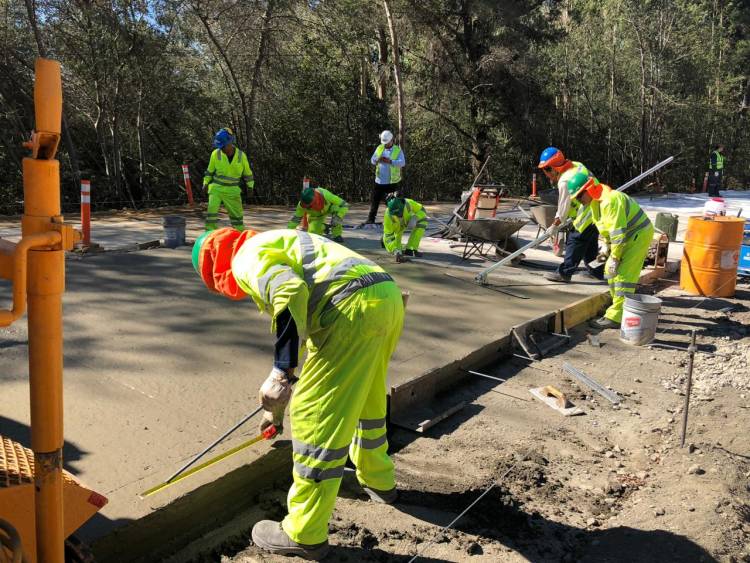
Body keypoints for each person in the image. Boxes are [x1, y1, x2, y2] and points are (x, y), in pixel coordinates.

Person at [192, 227, 404, 560]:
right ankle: (379, 481)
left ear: (216, 268)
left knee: (313, 416)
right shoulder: (280, 241)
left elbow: (290, 293)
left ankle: (304, 533)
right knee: (366, 398)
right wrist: (273, 410)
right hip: (385, 299)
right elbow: (303, 323)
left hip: (350, 310)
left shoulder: (245, 257)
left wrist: (281, 372)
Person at [565, 171, 654, 329]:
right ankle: (617, 307)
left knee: (623, 276)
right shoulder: (595, 203)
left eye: (579, 196)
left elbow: (618, 234)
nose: (579, 201)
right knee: (609, 272)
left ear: (589, 189)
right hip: (625, 236)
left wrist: (615, 257)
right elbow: (607, 229)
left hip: (637, 235)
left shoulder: (610, 201)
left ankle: (616, 317)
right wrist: (606, 248)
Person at [537, 147, 603, 282]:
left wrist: (555, 225)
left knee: (575, 240)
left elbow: (563, 208)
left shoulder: (564, 181)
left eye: (546, 169)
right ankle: (596, 272)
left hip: (586, 211)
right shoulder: (577, 165)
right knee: (590, 243)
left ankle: (564, 273)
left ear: (553, 168)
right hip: (598, 206)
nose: (545, 173)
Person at [202, 127, 254, 231]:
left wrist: (250, 187)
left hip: (232, 191)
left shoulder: (241, 156)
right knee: (211, 215)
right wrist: (205, 183)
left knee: (237, 219)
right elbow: (209, 171)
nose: (221, 148)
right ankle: (209, 236)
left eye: (223, 146)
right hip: (216, 189)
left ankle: (240, 236)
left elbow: (247, 174)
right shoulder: (215, 154)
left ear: (230, 143)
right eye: (219, 146)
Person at [365, 130, 406, 225]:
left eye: (387, 142)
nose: (385, 144)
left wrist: (390, 161)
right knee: (375, 201)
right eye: (384, 143)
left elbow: (402, 163)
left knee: (392, 203)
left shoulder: (397, 150)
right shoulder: (379, 148)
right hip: (379, 181)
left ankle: (394, 221)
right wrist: (377, 160)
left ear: (392, 140)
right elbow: (372, 161)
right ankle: (371, 219)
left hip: (392, 182)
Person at [382, 196, 428, 263]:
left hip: (408, 221)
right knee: (397, 249)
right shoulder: (388, 216)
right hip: (396, 229)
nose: (398, 216)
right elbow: (388, 236)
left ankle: (411, 249)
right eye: (396, 215)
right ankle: (384, 241)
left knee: (423, 220)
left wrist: (415, 218)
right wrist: (395, 250)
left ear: (403, 207)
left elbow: (422, 210)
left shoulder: (408, 203)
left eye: (399, 214)